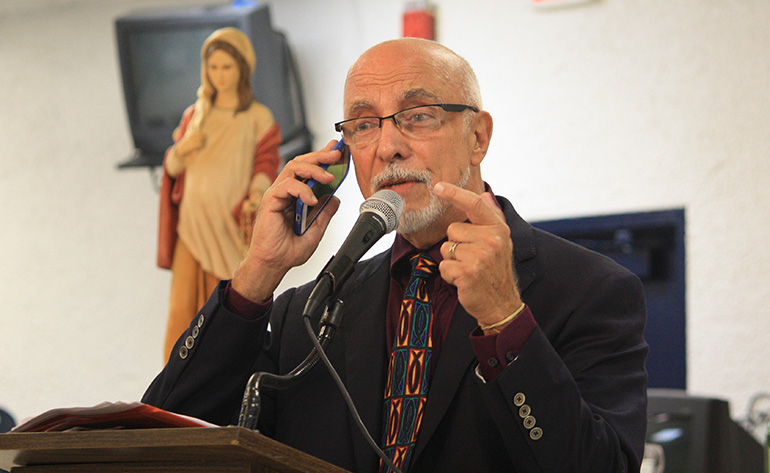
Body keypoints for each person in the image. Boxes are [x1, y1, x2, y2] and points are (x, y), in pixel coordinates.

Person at [143, 38, 648, 473]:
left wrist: (503, 317)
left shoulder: (590, 290)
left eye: (418, 117)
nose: (388, 146)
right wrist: (257, 274)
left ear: (478, 137)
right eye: (363, 126)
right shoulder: (309, 313)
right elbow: (166, 439)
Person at [156, 27, 281, 361]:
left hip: (227, 231)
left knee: (224, 308)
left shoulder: (258, 118)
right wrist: (182, 150)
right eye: (213, 68)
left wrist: (257, 195)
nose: (220, 75)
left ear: (242, 68)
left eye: (227, 67)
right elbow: (170, 168)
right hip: (192, 228)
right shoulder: (194, 116)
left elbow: (266, 165)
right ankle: (174, 383)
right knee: (182, 307)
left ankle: (220, 372)